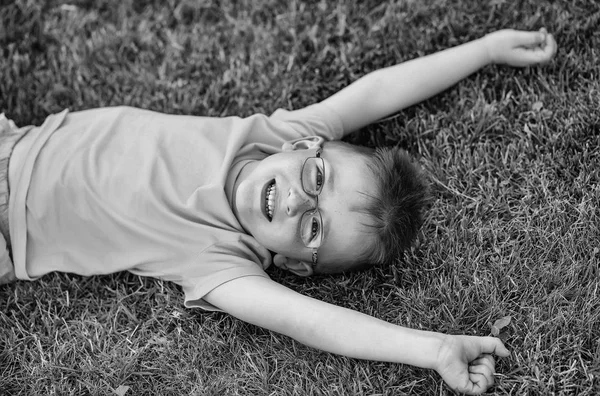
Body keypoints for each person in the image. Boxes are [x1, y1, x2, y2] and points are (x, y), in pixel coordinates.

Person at [0, 28, 556, 394]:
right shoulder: (276, 136)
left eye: (314, 226)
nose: (295, 199)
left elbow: (312, 321)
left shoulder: (220, 261)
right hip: (17, 140)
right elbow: (375, 92)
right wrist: (485, 49)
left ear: (293, 265)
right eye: (318, 177)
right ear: (304, 150)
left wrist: (434, 348)